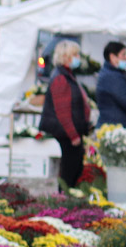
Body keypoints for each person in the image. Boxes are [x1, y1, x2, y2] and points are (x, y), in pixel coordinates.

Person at [39, 40, 92, 189]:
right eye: (75, 55)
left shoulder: (67, 75)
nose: (78, 58)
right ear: (65, 57)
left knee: (74, 170)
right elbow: (63, 112)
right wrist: (73, 135)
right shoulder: (61, 78)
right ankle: (64, 199)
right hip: (66, 135)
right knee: (69, 172)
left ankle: (67, 198)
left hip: (71, 133)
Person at [95, 40, 126, 134]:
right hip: (117, 128)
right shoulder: (111, 76)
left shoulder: (112, 73)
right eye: (123, 54)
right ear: (112, 57)